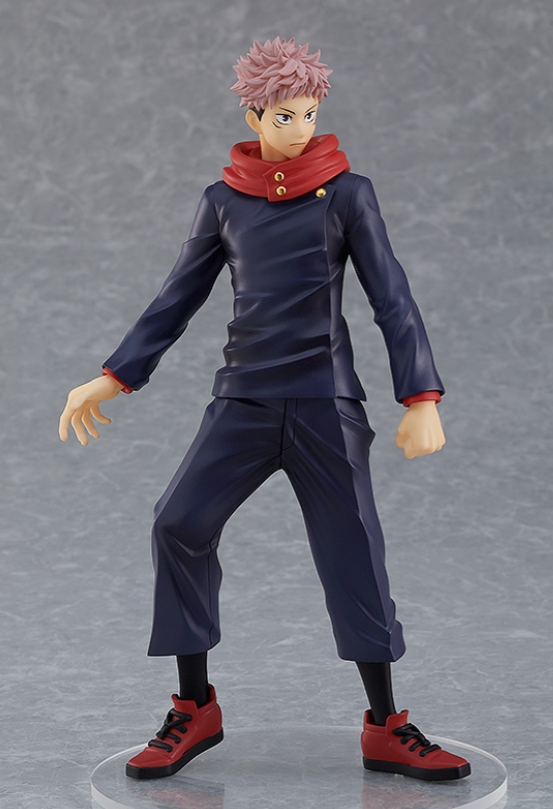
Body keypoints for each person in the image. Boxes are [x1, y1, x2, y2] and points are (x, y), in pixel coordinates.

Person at [59, 37, 470, 783]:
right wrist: (113, 376)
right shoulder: (224, 201)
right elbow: (176, 297)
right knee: (177, 524)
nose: (301, 129)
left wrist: (421, 395)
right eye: (285, 116)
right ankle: (195, 708)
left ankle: (386, 723)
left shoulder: (347, 193)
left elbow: (392, 297)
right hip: (243, 398)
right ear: (254, 117)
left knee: (354, 554)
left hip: (324, 402)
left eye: (310, 113)